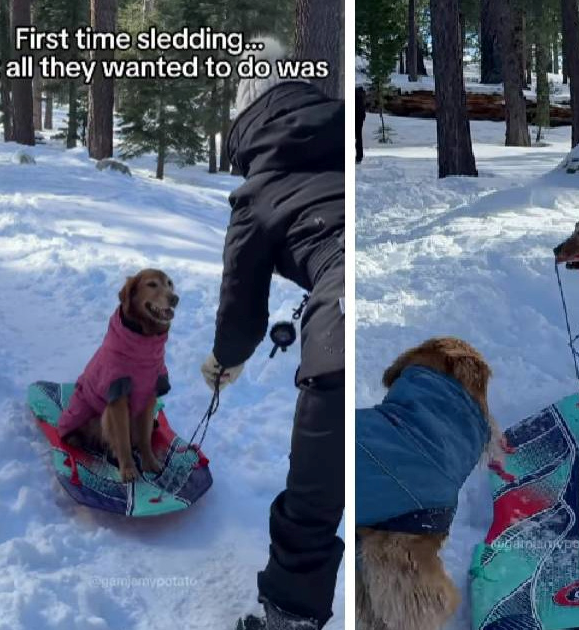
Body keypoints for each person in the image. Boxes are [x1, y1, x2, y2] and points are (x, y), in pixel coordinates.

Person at [200, 40, 345, 630]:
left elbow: (241, 301)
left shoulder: (258, 191)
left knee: (312, 498)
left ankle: (290, 616)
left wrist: (224, 359)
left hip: (338, 327)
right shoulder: (339, 142)